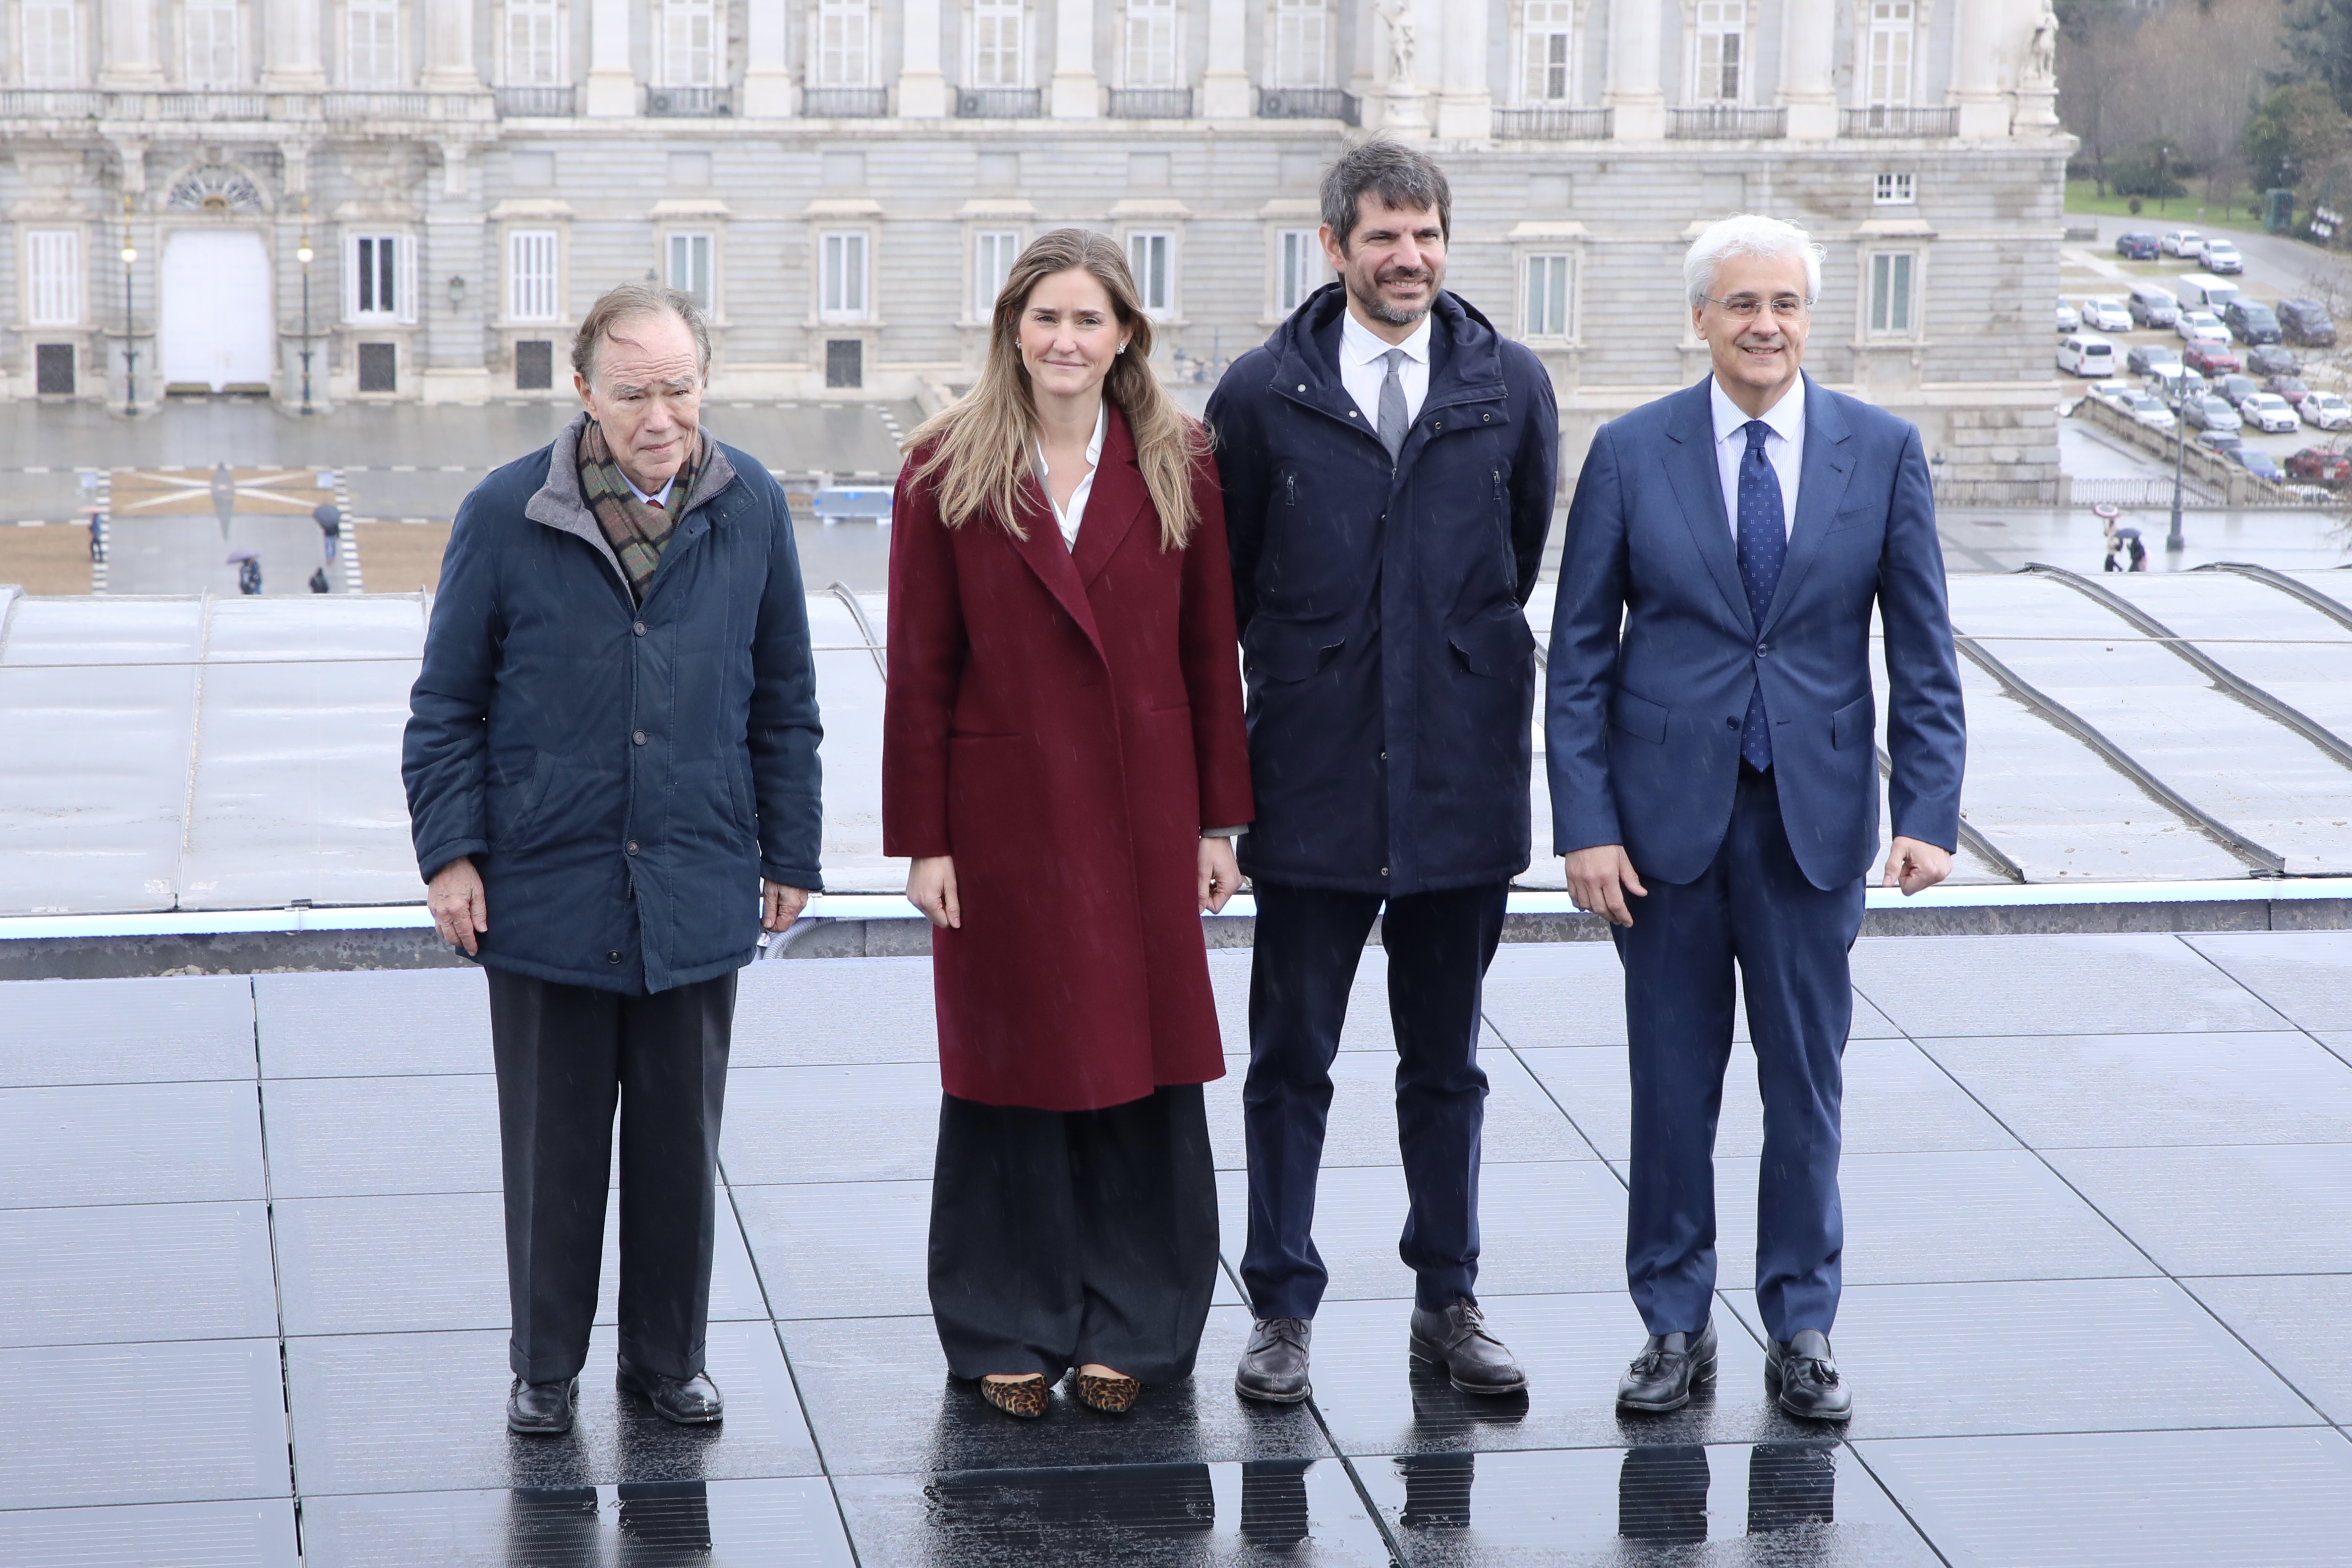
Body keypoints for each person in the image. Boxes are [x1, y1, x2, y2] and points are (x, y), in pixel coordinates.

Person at [1546, 214, 1967, 1423]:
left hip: (1815, 825)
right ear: (1701, 319)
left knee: (1804, 1087)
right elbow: (1575, 659)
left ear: (1806, 317)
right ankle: (1674, 1326)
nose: (1764, 325)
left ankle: (1802, 1326)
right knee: (1671, 1090)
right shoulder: (1630, 453)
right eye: (1740, 305)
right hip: (1660, 833)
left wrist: (1927, 809)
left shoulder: (1879, 452)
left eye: (1783, 304)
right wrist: (1584, 825)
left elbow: (1924, 651)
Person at [403, 283, 823, 1436]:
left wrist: (791, 846)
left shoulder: (753, 509)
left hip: (693, 880)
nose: (660, 415)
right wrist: (452, 856)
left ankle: (667, 1362)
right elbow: (446, 707)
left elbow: (784, 697)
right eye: (633, 392)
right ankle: (545, 1368)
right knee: (552, 1148)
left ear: (704, 384)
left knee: (682, 1152)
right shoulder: (503, 513)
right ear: (583, 391)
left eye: (679, 389)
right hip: (545, 884)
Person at [1205, 141, 1559, 1404]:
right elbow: (1225, 588)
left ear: (1446, 243)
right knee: (1290, 1059)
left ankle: (1447, 1299)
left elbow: (1512, 564)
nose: (1406, 258)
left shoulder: (1508, 384)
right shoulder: (1258, 394)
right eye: (1382, 237)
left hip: (1458, 787)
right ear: (1333, 249)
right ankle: (1281, 1309)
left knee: (1446, 1065)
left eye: (1425, 235)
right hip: (1307, 781)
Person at [882, 228, 1253, 1420]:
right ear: (1012, 329)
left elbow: (1210, 655)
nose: (1065, 339)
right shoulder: (944, 466)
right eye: (1046, 317)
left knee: (1141, 1075)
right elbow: (919, 670)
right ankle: (1004, 1320)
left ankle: (1136, 1324)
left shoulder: (1179, 460)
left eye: (1089, 319)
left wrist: (1219, 825)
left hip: (1145, 810)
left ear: (1126, 335)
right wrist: (923, 841)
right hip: (1003, 815)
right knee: (1007, 1072)